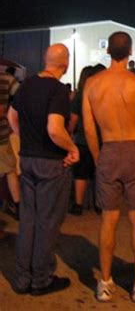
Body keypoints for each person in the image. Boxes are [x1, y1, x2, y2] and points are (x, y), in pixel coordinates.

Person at [82, 32, 135, 303]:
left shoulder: (92, 85)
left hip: (108, 149)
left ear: (109, 51)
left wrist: (98, 157)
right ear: (130, 51)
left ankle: (105, 283)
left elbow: (88, 128)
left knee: (108, 219)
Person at [7, 44, 79, 296]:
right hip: (50, 162)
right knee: (47, 222)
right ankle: (41, 279)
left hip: (27, 159)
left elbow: (11, 116)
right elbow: (55, 129)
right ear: (66, 64)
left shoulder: (26, 85)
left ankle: (22, 277)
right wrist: (72, 149)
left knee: (28, 220)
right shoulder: (58, 90)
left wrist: (26, 138)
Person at [69, 64, 105, 215]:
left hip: (82, 139)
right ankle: (100, 204)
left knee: (81, 173)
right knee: (100, 173)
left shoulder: (80, 94)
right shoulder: (105, 93)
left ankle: (78, 204)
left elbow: (73, 119)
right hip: (103, 139)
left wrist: (69, 134)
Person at [0, 67, 21, 219]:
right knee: (10, 170)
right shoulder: (7, 79)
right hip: (2, 134)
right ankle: (18, 205)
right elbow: (23, 97)